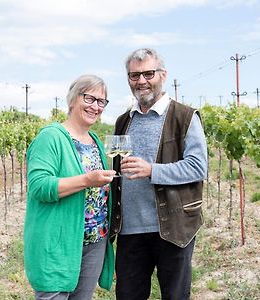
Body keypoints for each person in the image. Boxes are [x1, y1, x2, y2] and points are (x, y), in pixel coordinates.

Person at [109, 48, 208, 300]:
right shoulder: (123, 120)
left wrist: (151, 170)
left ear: (162, 75)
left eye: (148, 73)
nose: (141, 81)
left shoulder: (185, 117)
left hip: (174, 228)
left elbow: (198, 167)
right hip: (130, 229)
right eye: (134, 75)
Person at [23, 74, 116, 300]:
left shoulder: (94, 140)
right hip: (59, 242)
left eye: (101, 101)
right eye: (89, 98)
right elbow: (39, 186)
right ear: (73, 100)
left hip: (95, 241)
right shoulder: (51, 137)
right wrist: (86, 180)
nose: (95, 106)